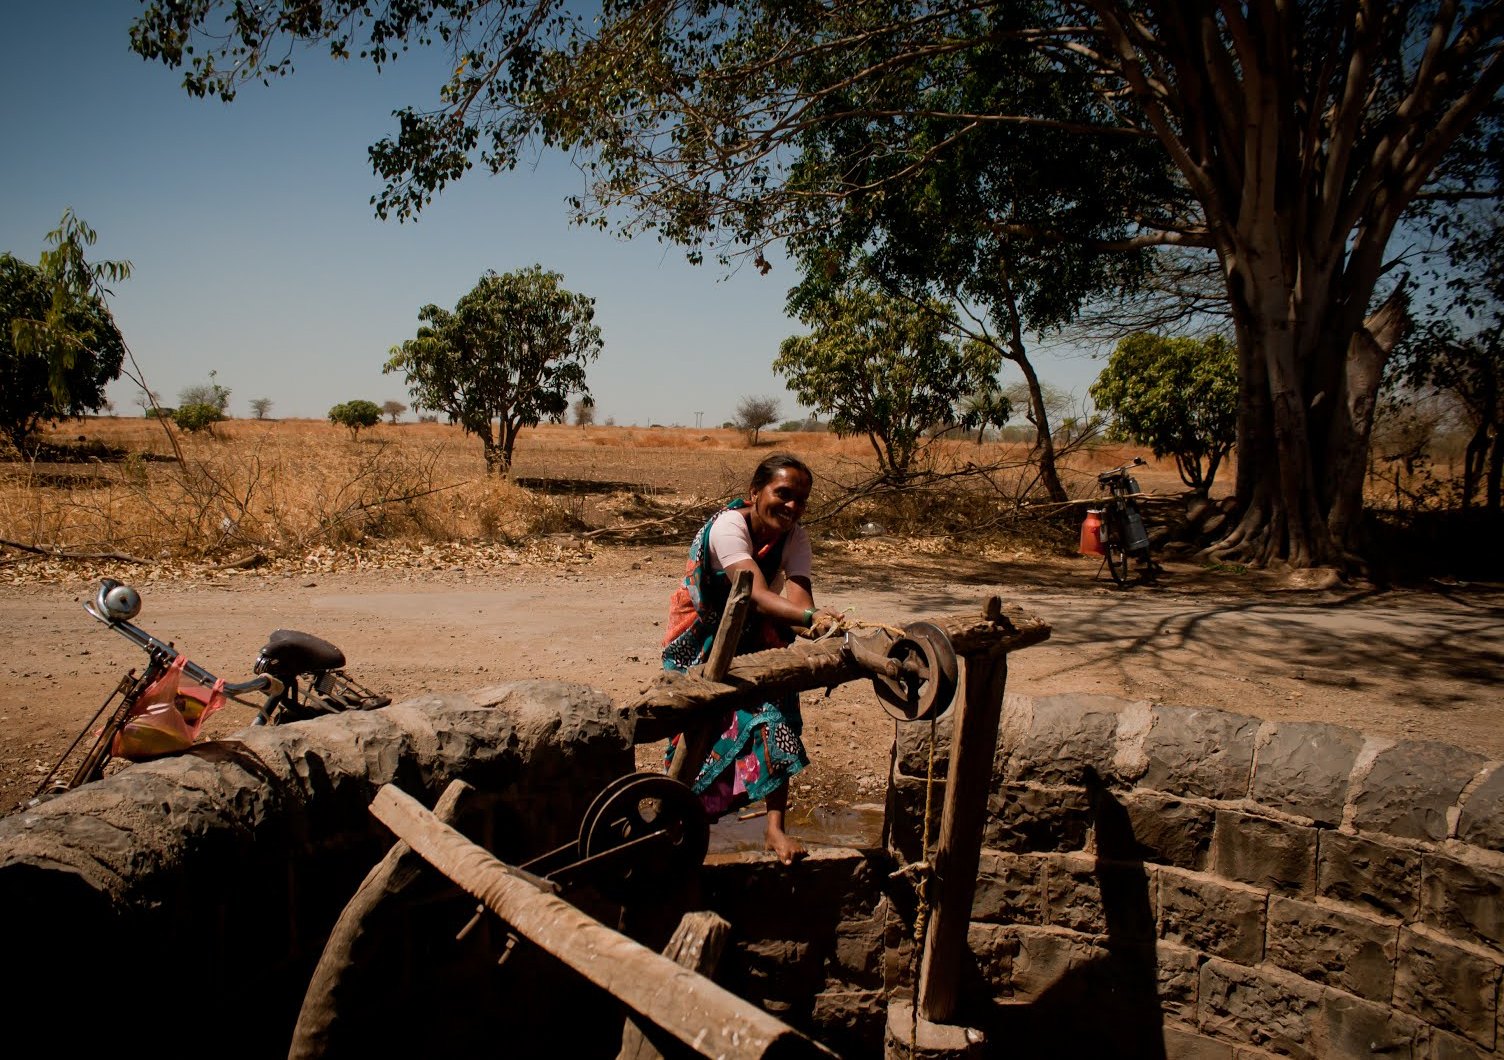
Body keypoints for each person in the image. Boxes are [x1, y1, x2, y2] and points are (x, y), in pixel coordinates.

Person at [661, 452, 840, 864]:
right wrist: (811, 618)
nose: (792, 506)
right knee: (700, 729)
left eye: (801, 500)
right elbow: (756, 594)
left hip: (753, 635)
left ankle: (774, 830)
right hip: (703, 638)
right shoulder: (728, 527)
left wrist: (821, 627)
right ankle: (677, 821)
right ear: (755, 493)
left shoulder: (794, 537)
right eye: (783, 494)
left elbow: (798, 601)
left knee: (778, 717)